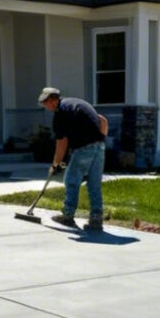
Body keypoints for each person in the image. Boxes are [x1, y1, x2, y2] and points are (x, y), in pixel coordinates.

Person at [38, 87, 108, 232]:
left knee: (71, 180)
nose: (45, 106)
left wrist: (55, 165)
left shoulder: (61, 113)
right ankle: (96, 219)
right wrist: (100, 141)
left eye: (46, 102)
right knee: (94, 183)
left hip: (84, 148)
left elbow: (61, 143)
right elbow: (102, 120)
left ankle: (68, 216)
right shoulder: (74, 103)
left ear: (53, 100)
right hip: (99, 146)